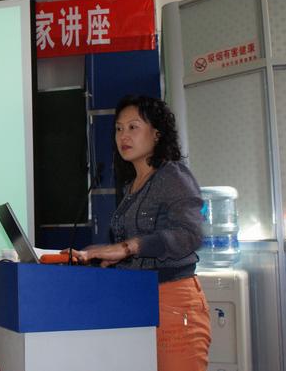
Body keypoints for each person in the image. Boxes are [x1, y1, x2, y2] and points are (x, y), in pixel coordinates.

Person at [63, 95, 211, 371]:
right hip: (137, 300)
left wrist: (128, 247)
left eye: (133, 127)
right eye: (119, 129)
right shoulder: (131, 185)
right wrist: (96, 254)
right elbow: (133, 247)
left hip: (173, 302)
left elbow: (190, 235)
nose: (124, 136)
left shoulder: (172, 175)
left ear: (157, 133)